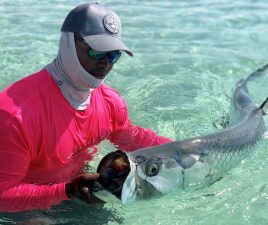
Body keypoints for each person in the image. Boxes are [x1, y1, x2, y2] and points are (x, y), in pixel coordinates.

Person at [0, 2, 172, 212]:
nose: (106, 63)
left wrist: (183, 151)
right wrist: (66, 191)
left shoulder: (110, 102)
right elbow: (2, 195)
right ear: (68, 43)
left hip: (81, 191)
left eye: (113, 55)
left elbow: (129, 135)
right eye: (98, 52)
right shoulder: (15, 117)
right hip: (23, 210)